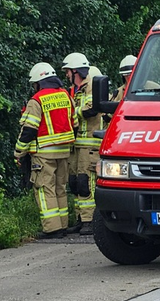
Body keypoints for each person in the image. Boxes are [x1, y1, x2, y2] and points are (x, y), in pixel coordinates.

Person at [15, 63, 75, 238]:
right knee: (60, 188)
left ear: (39, 82)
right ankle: (63, 226)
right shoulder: (66, 96)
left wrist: (19, 153)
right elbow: (75, 123)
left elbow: (29, 131)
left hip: (44, 153)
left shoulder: (37, 100)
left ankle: (52, 229)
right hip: (64, 151)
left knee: (44, 189)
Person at [62, 53, 106, 235]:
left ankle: (90, 221)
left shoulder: (91, 88)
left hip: (89, 145)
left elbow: (91, 110)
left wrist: (71, 113)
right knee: (75, 182)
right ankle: (81, 218)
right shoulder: (76, 89)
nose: (66, 75)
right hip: (77, 145)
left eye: (68, 72)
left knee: (85, 182)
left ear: (76, 71)